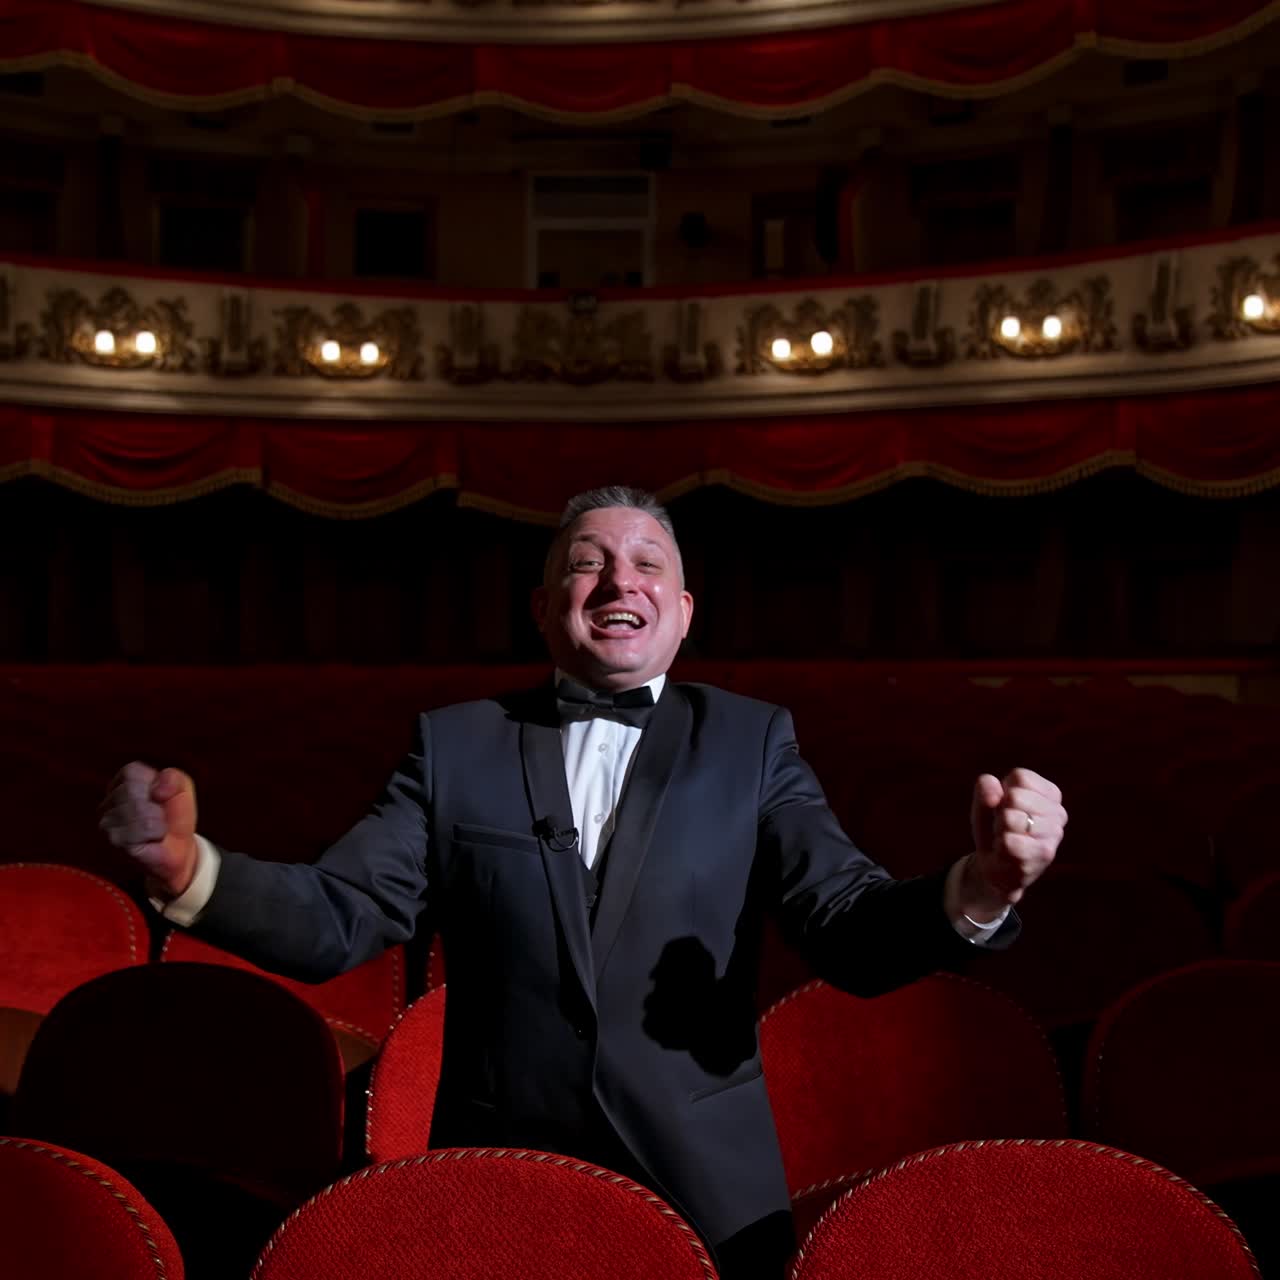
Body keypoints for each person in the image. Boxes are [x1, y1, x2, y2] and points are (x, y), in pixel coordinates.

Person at [100, 485, 1065, 1280]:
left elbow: (848, 929)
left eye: (649, 563)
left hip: (708, 1190)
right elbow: (338, 918)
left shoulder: (751, 740)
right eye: (587, 561)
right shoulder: (454, 744)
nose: (619, 579)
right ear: (544, 605)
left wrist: (980, 886)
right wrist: (191, 872)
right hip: (499, 1176)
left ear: (683, 615)